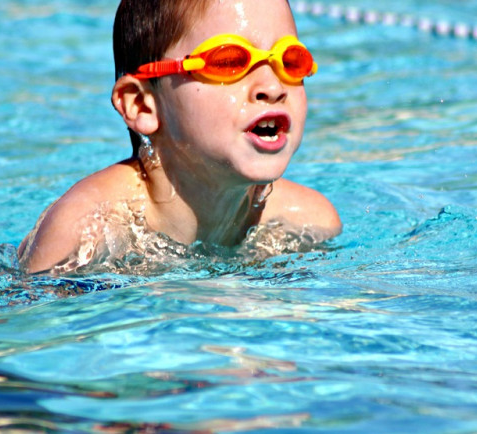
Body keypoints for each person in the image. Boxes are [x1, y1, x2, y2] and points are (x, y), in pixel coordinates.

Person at [18, 0, 342, 274]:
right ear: (142, 104)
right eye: (228, 61)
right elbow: (25, 330)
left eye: (290, 61)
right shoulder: (87, 229)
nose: (272, 88)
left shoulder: (309, 222)